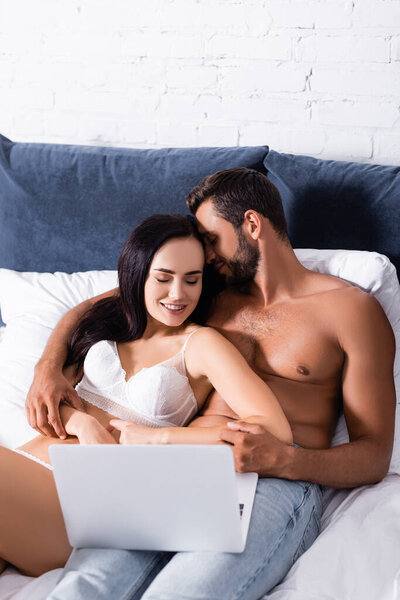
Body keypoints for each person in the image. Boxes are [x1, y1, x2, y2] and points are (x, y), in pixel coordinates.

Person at [27, 168, 395, 600]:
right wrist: (47, 369)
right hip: (178, 465)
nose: (204, 251)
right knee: (85, 587)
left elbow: (373, 454)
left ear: (252, 225)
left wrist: (285, 461)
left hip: (276, 481)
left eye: (210, 237)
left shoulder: (350, 311)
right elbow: (93, 307)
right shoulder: (204, 291)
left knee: (184, 593)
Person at [0, 213, 294, 580]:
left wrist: (161, 436)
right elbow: (50, 403)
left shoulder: (201, 344)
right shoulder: (109, 321)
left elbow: (274, 429)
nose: (178, 294)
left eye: (192, 280)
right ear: (138, 273)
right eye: (164, 278)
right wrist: (84, 424)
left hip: (84, 504)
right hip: (26, 467)